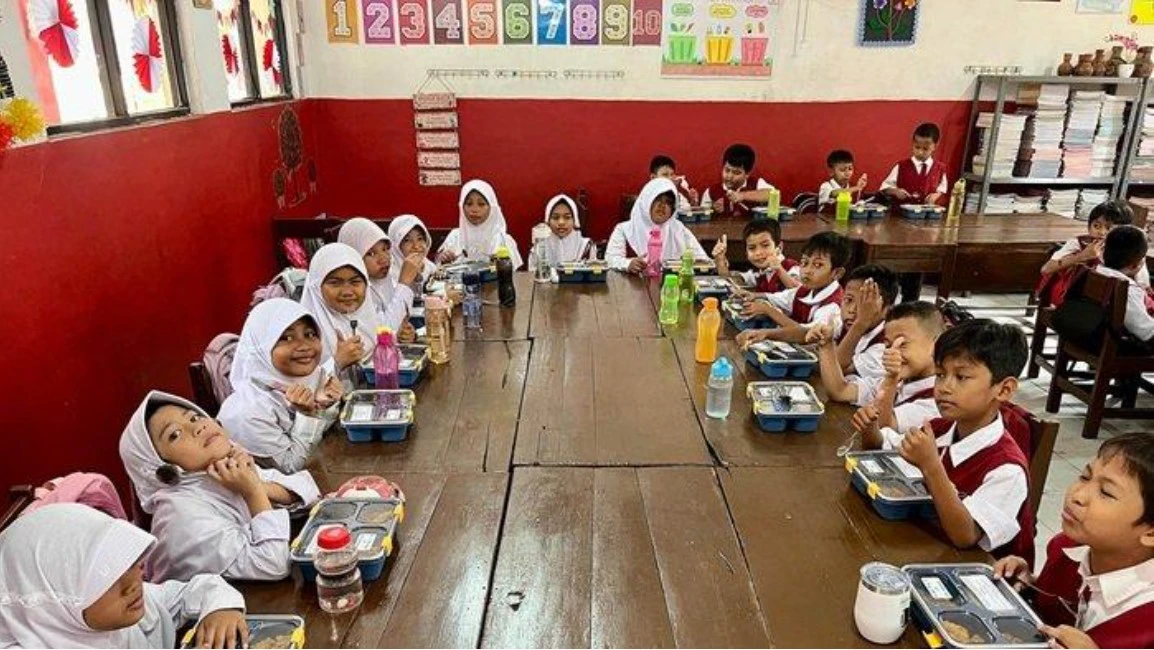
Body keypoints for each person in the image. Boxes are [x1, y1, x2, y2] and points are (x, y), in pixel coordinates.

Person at [869, 320, 1035, 562]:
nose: (944, 388)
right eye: (940, 375)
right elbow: (886, 445)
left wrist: (931, 467)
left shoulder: (1007, 469)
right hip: (926, 545)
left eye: (961, 377)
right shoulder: (941, 428)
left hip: (975, 572)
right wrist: (870, 428)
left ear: (1004, 390)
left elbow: (965, 536)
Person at [119, 391, 321, 582]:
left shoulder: (217, 470)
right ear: (160, 469)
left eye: (194, 418)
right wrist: (253, 492)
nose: (198, 428)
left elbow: (310, 493)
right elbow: (273, 563)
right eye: (175, 434)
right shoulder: (182, 518)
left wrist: (255, 485)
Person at [0, 504, 249, 649]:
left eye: (128, 563)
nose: (133, 583)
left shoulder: (129, 602)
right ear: (53, 597)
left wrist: (221, 608)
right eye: (105, 578)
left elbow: (192, 590)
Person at [995, 433, 1154, 649]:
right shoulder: (1067, 548)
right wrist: (1030, 584)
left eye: (1106, 493)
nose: (1077, 495)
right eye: (1085, 477)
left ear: (1150, 533)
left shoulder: (1146, 618)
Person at [217, 299, 343, 473]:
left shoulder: (313, 378)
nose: (304, 346)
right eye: (286, 338)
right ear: (261, 346)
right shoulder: (247, 413)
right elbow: (290, 468)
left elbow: (322, 438)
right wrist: (307, 415)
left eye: (310, 334)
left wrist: (326, 404)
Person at [733, 231, 852, 344]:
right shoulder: (804, 290)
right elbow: (779, 298)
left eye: (817, 265)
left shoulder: (834, 307)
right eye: (804, 263)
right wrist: (754, 295)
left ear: (837, 273)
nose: (807, 271)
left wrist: (768, 314)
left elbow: (806, 334)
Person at [606, 177, 709, 273]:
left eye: (668, 202)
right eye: (658, 199)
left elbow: (703, 260)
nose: (662, 206)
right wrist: (628, 264)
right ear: (646, 201)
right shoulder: (624, 230)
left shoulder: (679, 230)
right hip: (631, 285)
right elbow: (610, 260)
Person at [437, 180, 524, 269]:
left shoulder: (503, 240)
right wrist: (444, 259)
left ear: (492, 208)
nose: (474, 209)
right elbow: (440, 266)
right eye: (469, 204)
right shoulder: (455, 237)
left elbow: (513, 272)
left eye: (481, 204)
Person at [1094, 224, 1154, 342]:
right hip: (1119, 345)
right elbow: (1146, 331)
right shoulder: (1126, 289)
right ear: (1135, 265)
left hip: (1086, 337)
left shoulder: (1095, 272)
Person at [711, 219, 800, 294]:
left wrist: (779, 270)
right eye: (752, 248)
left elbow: (799, 291)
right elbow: (729, 281)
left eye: (765, 245)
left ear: (779, 247)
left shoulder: (791, 267)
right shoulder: (759, 273)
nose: (758, 252)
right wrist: (720, 260)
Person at [880, 122, 948, 207]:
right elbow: (884, 188)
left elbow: (942, 189)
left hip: (927, 212)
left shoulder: (940, 169)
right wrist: (896, 191)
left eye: (925, 149)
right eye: (917, 147)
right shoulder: (901, 166)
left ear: (935, 146)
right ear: (913, 144)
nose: (920, 152)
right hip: (901, 212)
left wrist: (935, 196)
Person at [700, 144, 776, 219]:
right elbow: (702, 217)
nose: (729, 176)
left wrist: (742, 196)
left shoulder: (757, 183)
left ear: (747, 174)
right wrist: (713, 209)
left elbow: (773, 194)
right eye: (727, 170)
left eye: (736, 173)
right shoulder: (711, 191)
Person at [527, 194, 596, 268]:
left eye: (567, 217)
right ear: (548, 221)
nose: (561, 222)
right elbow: (532, 273)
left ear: (575, 220)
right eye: (555, 217)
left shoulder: (586, 246)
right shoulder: (539, 248)